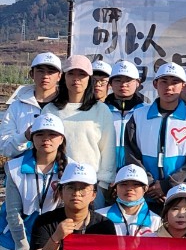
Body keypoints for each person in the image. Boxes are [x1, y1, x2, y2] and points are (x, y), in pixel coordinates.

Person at [2, 113, 66, 250]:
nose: (46, 139)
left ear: (61, 139)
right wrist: (23, 249)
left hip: (51, 235)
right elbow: (12, 212)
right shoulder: (14, 167)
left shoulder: (71, 169)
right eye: (40, 134)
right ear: (32, 138)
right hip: (15, 235)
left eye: (52, 134)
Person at [124, 62, 186, 202]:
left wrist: (168, 185)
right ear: (155, 84)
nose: (169, 87)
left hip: (179, 193)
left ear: (183, 86)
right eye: (164, 82)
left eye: (175, 82)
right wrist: (149, 183)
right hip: (145, 192)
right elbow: (131, 153)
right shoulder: (138, 115)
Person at [42, 54, 117, 197]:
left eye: (82, 74)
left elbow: (108, 149)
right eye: (71, 73)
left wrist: (102, 183)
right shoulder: (50, 110)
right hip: (56, 182)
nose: (76, 79)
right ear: (64, 77)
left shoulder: (101, 110)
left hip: (91, 184)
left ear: (89, 78)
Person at [0, 53, 63, 163]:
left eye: (51, 72)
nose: (45, 76)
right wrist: (24, 136)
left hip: (59, 169)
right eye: (40, 71)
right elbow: (4, 148)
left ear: (59, 76)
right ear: (31, 74)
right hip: (22, 170)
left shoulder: (66, 106)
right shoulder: (16, 107)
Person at [102, 60, 145, 171]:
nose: (123, 84)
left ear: (138, 83)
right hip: (104, 172)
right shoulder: (100, 110)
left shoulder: (145, 112)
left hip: (135, 173)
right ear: (110, 83)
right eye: (118, 80)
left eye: (128, 80)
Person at [98, 164, 159, 237]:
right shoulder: (100, 217)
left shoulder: (156, 221)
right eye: (124, 184)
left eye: (136, 184)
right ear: (115, 187)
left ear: (145, 188)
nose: (129, 189)